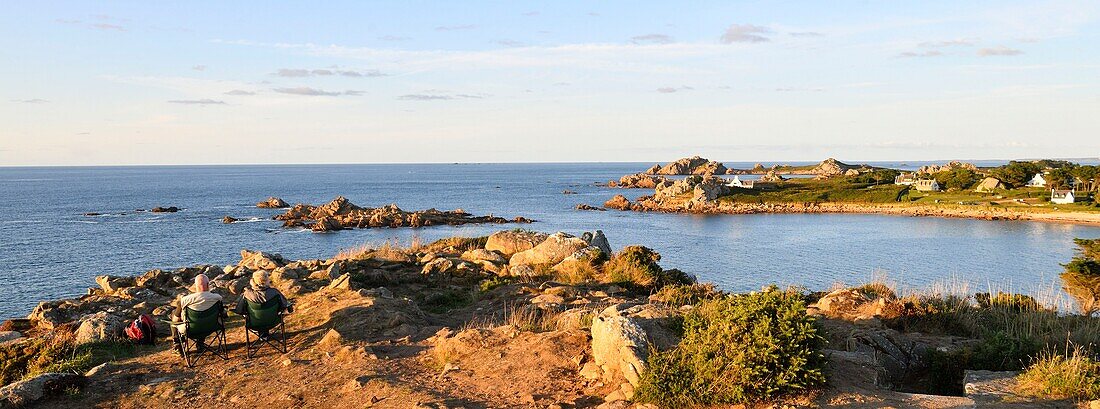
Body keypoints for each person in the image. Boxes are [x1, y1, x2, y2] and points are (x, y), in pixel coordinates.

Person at [171, 274, 223, 354]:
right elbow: (222, 313)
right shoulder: (217, 298)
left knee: (173, 321)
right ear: (208, 285)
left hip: (190, 329)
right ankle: (200, 344)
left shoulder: (185, 300)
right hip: (212, 326)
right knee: (204, 317)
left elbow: (175, 320)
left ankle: (178, 346)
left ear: (195, 285)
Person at [234, 270, 292, 339]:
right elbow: (284, 305)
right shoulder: (275, 292)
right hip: (273, 321)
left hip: (254, 323)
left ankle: (263, 335)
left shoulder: (247, 294)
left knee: (255, 315)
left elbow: (240, 310)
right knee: (267, 313)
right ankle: (265, 334)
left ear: (253, 281)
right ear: (267, 280)